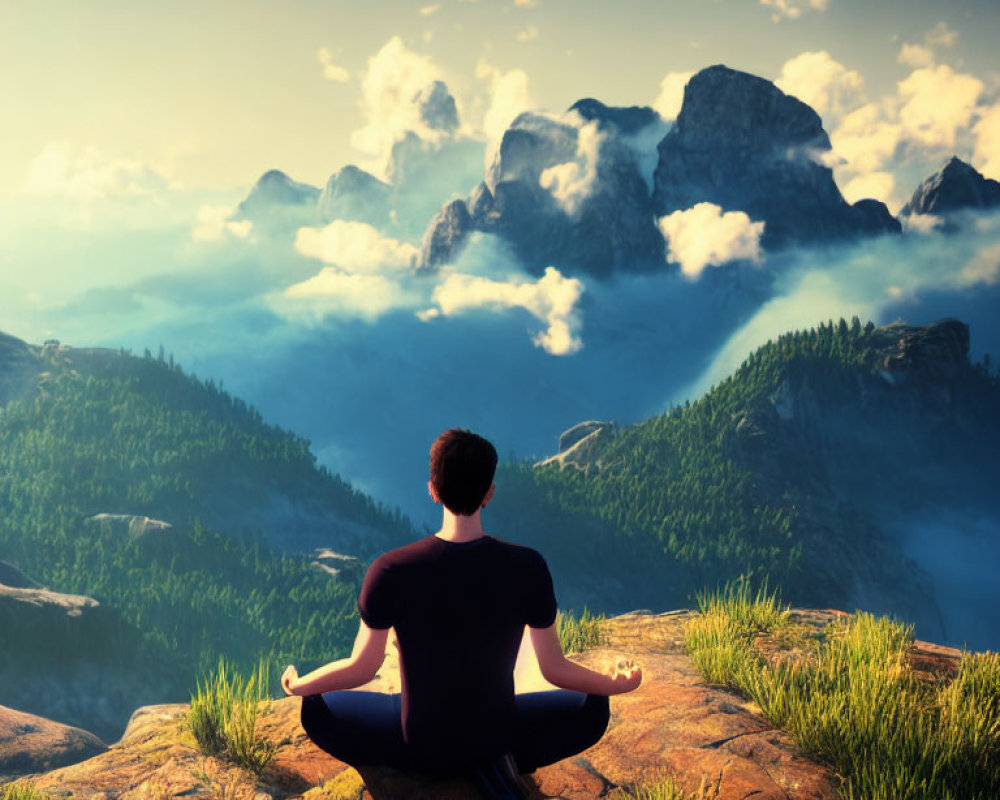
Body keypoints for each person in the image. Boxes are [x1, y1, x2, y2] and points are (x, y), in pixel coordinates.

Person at [281, 428, 642, 799]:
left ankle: (436, 767)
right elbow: (554, 668)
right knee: (593, 707)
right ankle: (495, 764)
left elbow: (362, 668)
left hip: (418, 743)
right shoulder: (527, 566)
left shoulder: (390, 570)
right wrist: (613, 684)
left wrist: (301, 685)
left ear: (432, 490)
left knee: (316, 709)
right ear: (489, 492)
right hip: (498, 736)